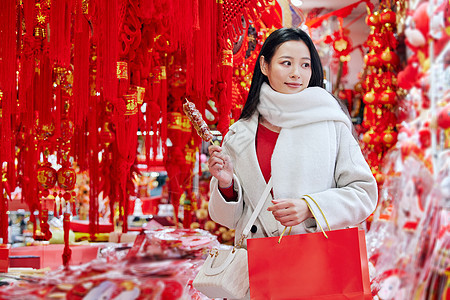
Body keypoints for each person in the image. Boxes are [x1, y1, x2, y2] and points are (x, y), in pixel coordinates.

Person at [207, 27, 377, 256]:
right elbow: (227, 219)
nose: (297, 73)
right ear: (264, 66)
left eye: (305, 65)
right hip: (257, 269)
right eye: (286, 63)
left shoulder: (331, 123)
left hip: (315, 263)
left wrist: (311, 207)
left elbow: (364, 193)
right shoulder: (240, 133)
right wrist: (227, 186)